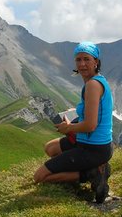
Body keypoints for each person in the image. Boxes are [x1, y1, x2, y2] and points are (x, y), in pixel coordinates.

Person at [33, 41, 114, 203]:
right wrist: (73, 119)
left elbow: (90, 125)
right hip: (92, 143)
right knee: (50, 148)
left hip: (93, 148)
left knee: (39, 177)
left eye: (86, 59)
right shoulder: (97, 80)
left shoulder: (93, 85)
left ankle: (92, 173)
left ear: (96, 62)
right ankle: (84, 166)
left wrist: (69, 127)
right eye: (78, 60)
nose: (82, 64)